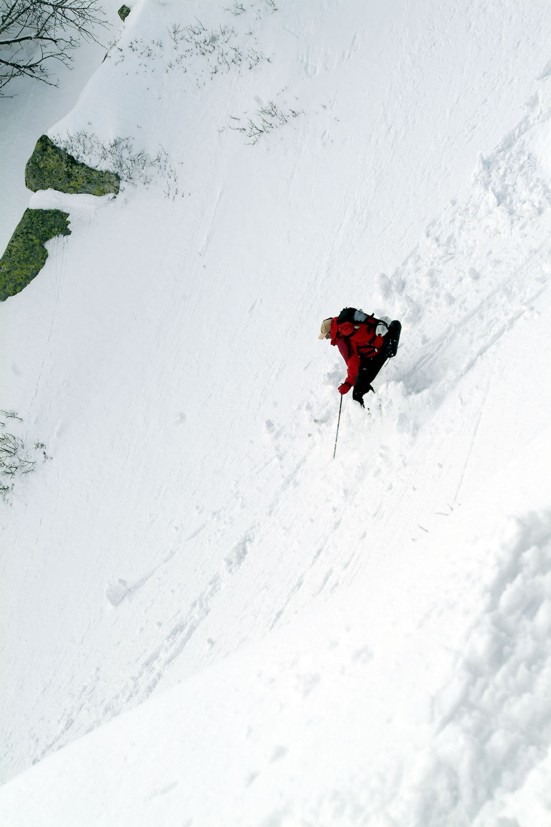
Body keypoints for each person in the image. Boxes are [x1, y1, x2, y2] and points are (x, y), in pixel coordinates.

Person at [319, 307, 401, 407]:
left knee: (358, 392)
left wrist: (347, 384)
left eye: (327, 336)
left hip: (376, 353)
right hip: (381, 341)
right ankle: (374, 406)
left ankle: (373, 413)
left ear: (330, 333)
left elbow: (353, 363)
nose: (329, 339)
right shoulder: (347, 323)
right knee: (361, 382)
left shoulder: (342, 337)